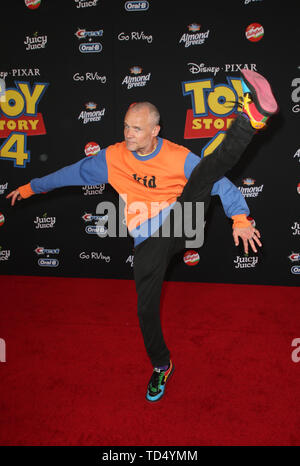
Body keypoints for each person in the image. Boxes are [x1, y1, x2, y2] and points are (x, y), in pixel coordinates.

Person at [7, 68, 278, 403]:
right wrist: (30, 187)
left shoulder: (175, 156)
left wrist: (239, 217)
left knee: (206, 171)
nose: (129, 134)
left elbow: (218, 183)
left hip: (184, 221)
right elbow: (71, 173)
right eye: (125, 126)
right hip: (148, 240)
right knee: (144, 309)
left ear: (155, 130)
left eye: (137, 129)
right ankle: (162, 365)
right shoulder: (112, 157)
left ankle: (250, 119)